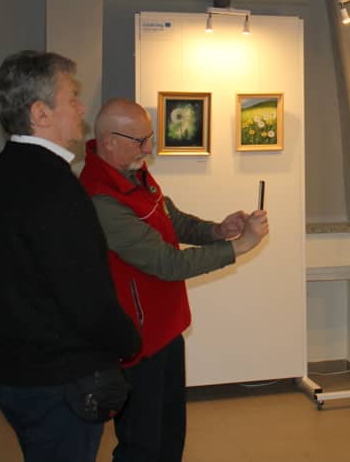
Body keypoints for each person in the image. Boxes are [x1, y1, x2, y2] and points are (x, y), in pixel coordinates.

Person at [0, 51, 142, 462]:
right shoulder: (54, 187)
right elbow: (84, 295)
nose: (82, 108)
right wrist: (128, 340)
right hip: (63, 382)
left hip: (17, 375)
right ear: (40, 113)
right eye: (72, 97)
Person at [78, 98, 269, 462]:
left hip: (165, 329)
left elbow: (170, 218)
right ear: (109, 141)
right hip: (136, 340)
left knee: (170, 433)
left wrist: (216, 231)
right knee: (142, 444)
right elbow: (167, 264)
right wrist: (239, 247)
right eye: (140, 141)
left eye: (150, 138)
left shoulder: (132, 172)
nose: (149, 149)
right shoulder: (101, 197)